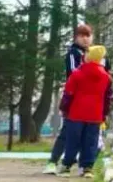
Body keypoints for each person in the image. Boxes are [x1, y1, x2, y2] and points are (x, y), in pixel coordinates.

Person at [44, 24, 109, 174]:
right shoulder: (73, 53)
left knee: (88, 135)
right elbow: (74, 73)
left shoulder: (96, 54)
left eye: (88, 35)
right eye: (82, 36)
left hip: (92, 104)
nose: (85, 39)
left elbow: (105, 74)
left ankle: (83, 166)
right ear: (76, 37)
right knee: (67, 131)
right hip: (75, 98)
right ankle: (53, 162)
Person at [58, 46, 112, 178]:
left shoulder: (77, 74)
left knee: (73, 140)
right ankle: (87, 168)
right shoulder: (106, 77)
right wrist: (104, 114)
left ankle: (66, 166)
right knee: (91, 141)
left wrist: (64, 108)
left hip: (76, 113)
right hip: (95, 115)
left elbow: (68, 93)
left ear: (89, 56)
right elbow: (107, 98)